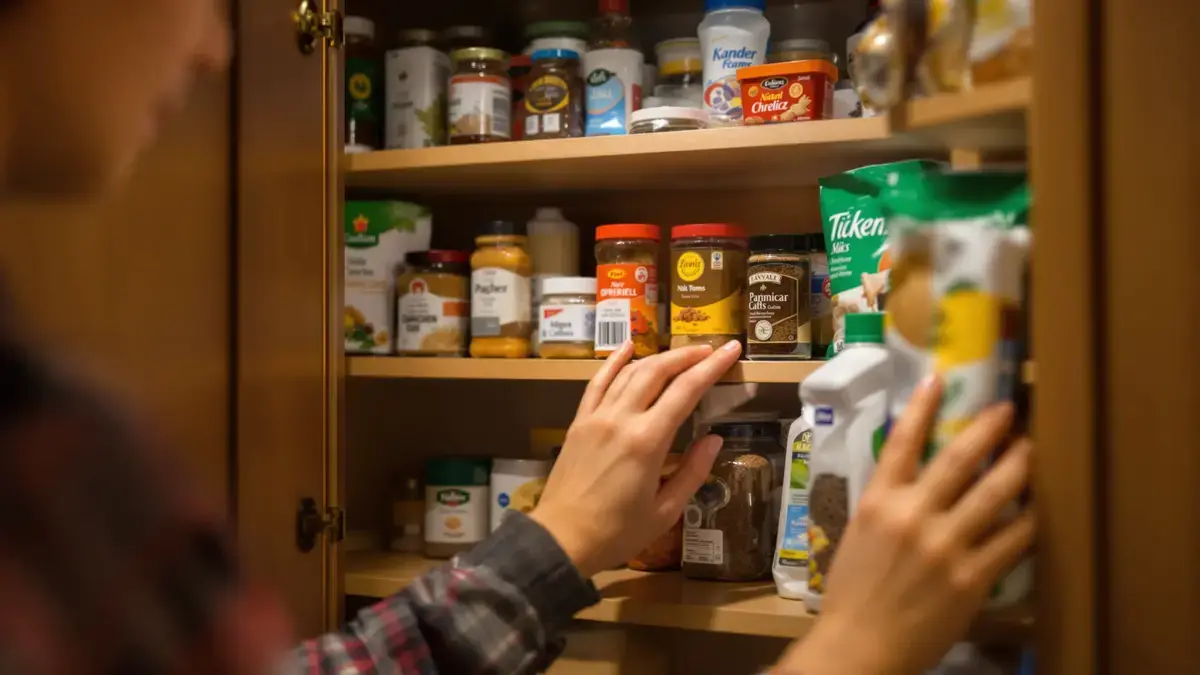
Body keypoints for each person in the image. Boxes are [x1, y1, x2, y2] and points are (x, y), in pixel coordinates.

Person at [0, 1, 1034, 674]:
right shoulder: (52, 450)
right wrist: (854, 646)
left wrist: (561, 539)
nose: (219, 47)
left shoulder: (49, 420)